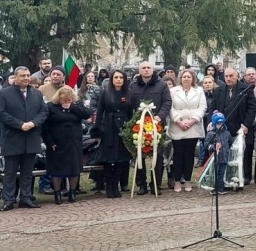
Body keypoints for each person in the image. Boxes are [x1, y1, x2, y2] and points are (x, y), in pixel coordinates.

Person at [0, 66, 49, 211]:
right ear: (15, 77)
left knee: (27, 171)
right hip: (12, 138)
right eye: (23, 76)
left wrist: (33, 123)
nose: (26, 78)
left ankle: (26, 198)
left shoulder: (36, 94)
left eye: (28, 75)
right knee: (10, 172)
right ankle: (8, 199)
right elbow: (0, 113)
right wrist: (20, 125)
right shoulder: (3, 94)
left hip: (31, 137)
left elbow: (44, 111)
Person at [129, 61, 172, 195]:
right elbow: (129, 104)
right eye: (143, 68)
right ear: (139, 70)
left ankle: (155, 184)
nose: (146, 70)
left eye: (148, 68)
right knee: (138, 155)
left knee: (158, 156)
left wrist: (160, 116)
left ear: (152, 70)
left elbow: (167, 102)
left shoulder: (162, 85)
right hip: (138, 126)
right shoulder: (132, 86)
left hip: (156, 125)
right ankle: (141, 184)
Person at [41, 86, 90, 204]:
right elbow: (45, 127)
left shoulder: (76, 106)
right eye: (63, 100)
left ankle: (72, 193)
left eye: (68, 100)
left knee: (74, 169)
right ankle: (57, 194)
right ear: (58, 98)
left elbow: (86, 114)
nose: (66, 103)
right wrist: (50, 143)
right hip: (57, 143)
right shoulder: (51, 107)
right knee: (57, 169)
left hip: (74, 143)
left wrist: (72, 107)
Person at [93, 70, 135, 199]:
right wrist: (98, 128)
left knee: (121, 158)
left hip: (123, 126)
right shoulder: (105, 93)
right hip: (109, 127)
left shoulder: (128, 93)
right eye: (116, 77)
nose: (118, 80)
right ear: (112, 79)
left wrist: (131, 129)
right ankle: (109, 185)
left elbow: (130, 113)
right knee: (109, 157)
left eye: (121, 77)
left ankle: (116, 184)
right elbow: (100, 112)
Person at [212, 67, 256, 186]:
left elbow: (251, 109)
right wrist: (213, 122)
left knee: (242, 154)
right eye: (226, 76)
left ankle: (242, 177)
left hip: (240, 127)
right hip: (223, 128)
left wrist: (246, 125)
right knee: (224, 154)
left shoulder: (246, 89)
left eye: (231, 76)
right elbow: (213, 107)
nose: (228, 78)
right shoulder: (219, 90)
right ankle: (224, 178)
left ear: (237, 76)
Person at [168, 69, 206, 192]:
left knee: (189, 155)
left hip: (193, 126)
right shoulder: (173, 91)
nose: (186, 79)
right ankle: (177, 181)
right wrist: (178, 120)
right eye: (184, 76)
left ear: (193, 79)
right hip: (177, 126)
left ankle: (188, 181)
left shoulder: (199, 91)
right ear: (180, 78)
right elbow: (170, 107)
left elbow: (202, 107)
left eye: (189, 77)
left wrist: (192, 120)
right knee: (178, 154)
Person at [203, 112, 231, 194]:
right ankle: (213, 187)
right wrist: (213, 147)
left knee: (221, 173)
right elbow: (206, 145)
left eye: (222, 123)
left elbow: (231, 141)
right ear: (215, 124)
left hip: (224, 157)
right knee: (215, 173)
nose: (220, 125)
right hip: (215, 158)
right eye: (218, 124)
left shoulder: (227, 133)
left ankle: (220, 187)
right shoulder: (211, 134)